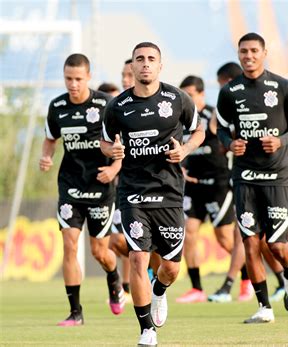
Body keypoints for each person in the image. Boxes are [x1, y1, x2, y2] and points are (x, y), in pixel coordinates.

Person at [101, 42, 204, 346]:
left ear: (160, 65)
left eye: (151, 59)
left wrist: (185, 148)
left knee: (170, 267)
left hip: (170, 191)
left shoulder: (177, 99)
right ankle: (146, 329)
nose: (145, 64)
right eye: (139, 59)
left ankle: (159, 290)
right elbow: (105, 143)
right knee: (137, 258)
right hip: (133, 192)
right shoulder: (117, 107)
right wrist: (113, 150)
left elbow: (198, 130)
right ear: (131, 67)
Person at [217, 32, 288, 323]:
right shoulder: (229, 92)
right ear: (239, 54)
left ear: (264, 52)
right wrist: (230, 144)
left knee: (277, 245)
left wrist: (281, 140)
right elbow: (219, 129)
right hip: (244, 178)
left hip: (277, 178)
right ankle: (264, 308)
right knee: (251, 243)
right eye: (243, 51)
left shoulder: (282, 86)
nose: (248, 56)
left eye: (254, 50)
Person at [39, 53, 125, 326]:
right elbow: (51, 139)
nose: (73, 84)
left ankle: (113, 278)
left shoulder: (105, 104)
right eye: (68, 79)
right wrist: (47, 156)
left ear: (88, 76)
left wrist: (114, 169)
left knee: (100, 251)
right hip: (70, 186)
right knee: (69, 245)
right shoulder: (57, 106)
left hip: (100, 186)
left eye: (78, 79)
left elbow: (120, 143)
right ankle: (76, 313)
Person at [175, 75, 251, 303]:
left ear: (201, 94)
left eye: (191, 94)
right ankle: (197, 288)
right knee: (188, 234)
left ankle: (248, 280)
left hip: (218, 186)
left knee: (225, 240)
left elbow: (230, 139)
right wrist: (180, 168)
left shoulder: (213, 116)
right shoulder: (180, 120)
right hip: (193, 187)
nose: (187, 99)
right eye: (183, 95)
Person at [98, 78, 133, 304]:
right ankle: (124, 284)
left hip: (122, 191)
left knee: (124, 240)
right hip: (98, 192)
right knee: (107, 245)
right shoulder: (98, 125)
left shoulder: (125, 120)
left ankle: (130, 285)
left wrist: (115, 168)